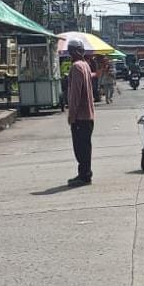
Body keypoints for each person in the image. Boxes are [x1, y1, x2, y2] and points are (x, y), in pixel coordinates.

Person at [65, 38, 96, 187]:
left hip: (80, 116)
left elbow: (75, 94)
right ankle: (84, 173)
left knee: (80, 148)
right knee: (85, 147)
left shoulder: (76, 67)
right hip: (88, 115)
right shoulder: (85, 65)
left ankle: (84, 176)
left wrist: (71, 115)